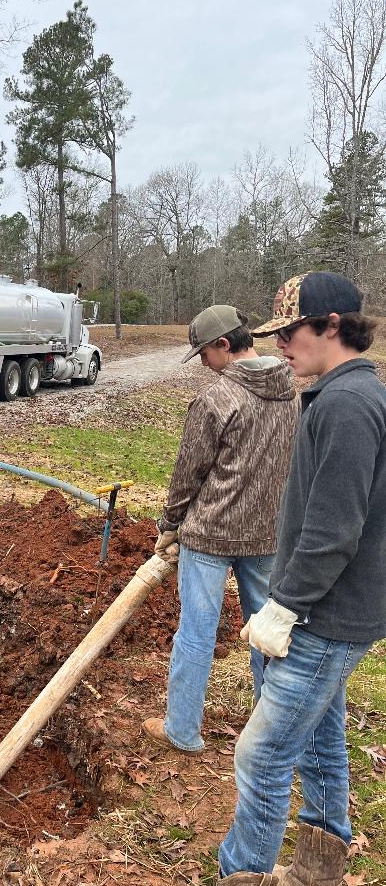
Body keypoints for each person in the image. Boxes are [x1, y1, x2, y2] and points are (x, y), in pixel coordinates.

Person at [137, 271, 386, 886]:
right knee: (322, 738)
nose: (282, 349)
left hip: (326, 615)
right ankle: (316, 876)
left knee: (262, 752)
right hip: (339, 609)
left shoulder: (346, 405)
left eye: (291, 334)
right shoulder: (338, 395)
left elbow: (336, 529)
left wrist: (286, 606)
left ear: (330, 324)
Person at [143, 304, 298, 754]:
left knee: (196, 632)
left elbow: (188, 474)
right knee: (268, 634)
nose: (205, 364)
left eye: (205, 354)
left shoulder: (215, 400)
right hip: (267, 534)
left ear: (223, 345)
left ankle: (183, 731)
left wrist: (169, 524)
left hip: (210, 534)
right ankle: (269, 733)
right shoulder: (292, 393)